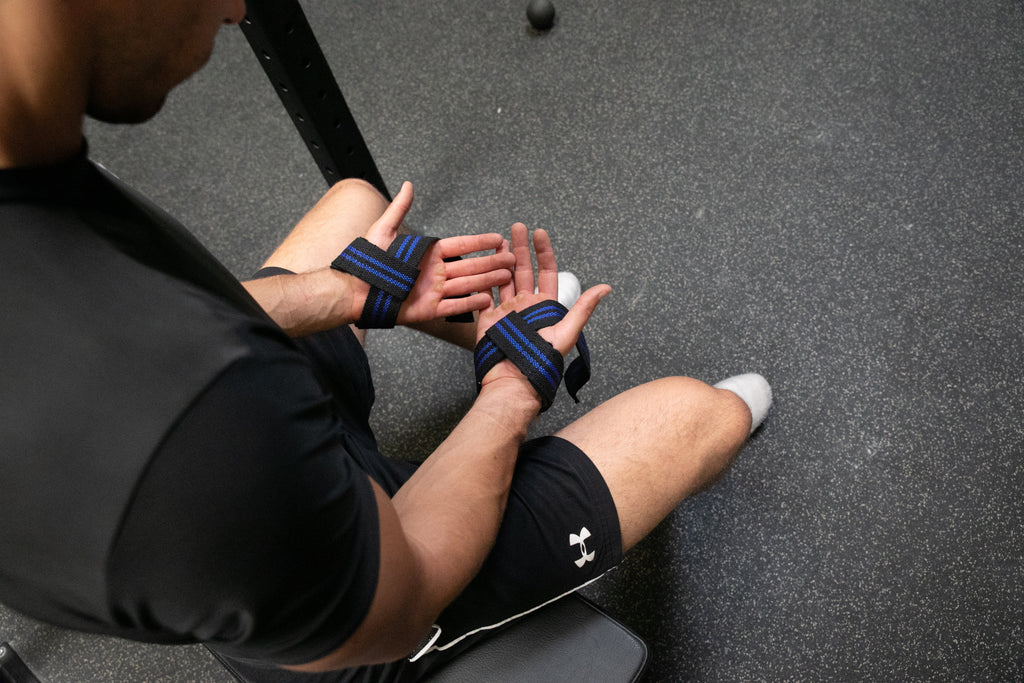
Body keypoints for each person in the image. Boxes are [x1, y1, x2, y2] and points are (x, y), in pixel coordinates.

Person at [0, 1, 772, 680]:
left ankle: (491, 333)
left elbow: (173, 311)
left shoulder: (26, 150)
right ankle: (526, 359)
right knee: (704, 414)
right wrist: (509, 392)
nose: (239, 11)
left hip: (247, 481)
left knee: (353, 202)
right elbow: (408, 586)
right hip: (362, 603)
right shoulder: (192, 431)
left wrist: (342, 293)